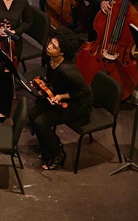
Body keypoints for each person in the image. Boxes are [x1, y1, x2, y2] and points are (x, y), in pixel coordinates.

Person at [29, 26, 93, 170]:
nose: (49, 47)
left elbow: (86, 91)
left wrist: (60, 96)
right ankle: (48, 150)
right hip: (61, 96)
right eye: (50, 43)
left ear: (62, 52)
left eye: (54, 46)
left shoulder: (67, 70)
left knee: (41, 122)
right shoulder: (49, 57)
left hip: (77, 104)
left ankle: (57, 152)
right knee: (32, 115)